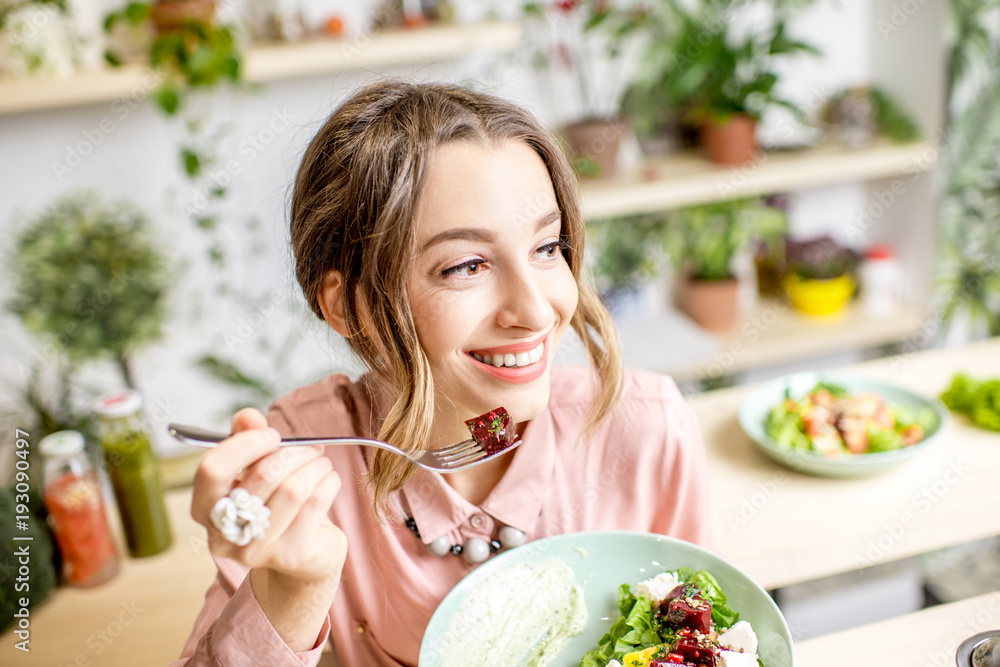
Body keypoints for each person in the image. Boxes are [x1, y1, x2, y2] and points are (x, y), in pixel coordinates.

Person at [174, 80, 709, 667]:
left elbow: (702, 630)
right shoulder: (307, 471)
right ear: (350, 307)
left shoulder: (646, 430)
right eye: (466, 266)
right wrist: (294, 593)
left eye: (548, 247)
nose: (535, 311)